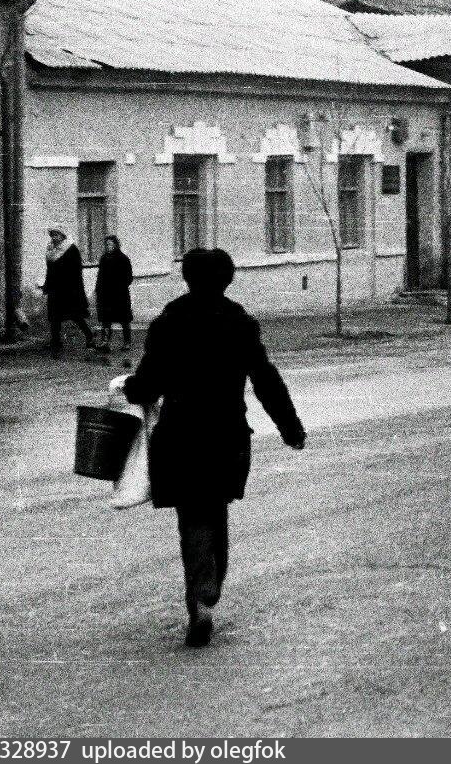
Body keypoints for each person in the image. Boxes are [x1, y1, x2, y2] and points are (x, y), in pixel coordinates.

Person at [119, 248, 306, 648]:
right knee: (216, 509)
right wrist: (290, 428)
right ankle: (209, 588)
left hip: (180, 434)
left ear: (186, 279)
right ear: (228, 280)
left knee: (192, 518)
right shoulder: (240, 325)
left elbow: (147, 383)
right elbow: (265, 379)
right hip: (226, 434)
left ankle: (200, 596)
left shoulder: (168, 324)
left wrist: (128, 388)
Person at [42, 226, 95, 356]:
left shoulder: (71, 249)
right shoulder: (51, 251)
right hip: (55, 289)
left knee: (76, 316)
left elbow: (76, 271)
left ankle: (90, 337)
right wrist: (47, 285)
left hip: (69, 289)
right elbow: (50, 270)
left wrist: (71, 287)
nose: (54, 238)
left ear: (62, 236)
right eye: (52, 235)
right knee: (54, 317)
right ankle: (56, 341)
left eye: (56, 235)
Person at [95, 235, 136, 350]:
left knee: (124, 319)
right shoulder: (104, 259)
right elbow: (100, 276)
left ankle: (127, 342)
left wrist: (119, 286)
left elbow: (129, 277)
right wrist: (98, 290)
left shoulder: (123, 259)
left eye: (110, 244)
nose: (108, 247)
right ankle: (105, 342)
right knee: (106, 319)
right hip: (106, 294)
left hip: (120, 295)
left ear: (116, 245)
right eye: (106, 244)